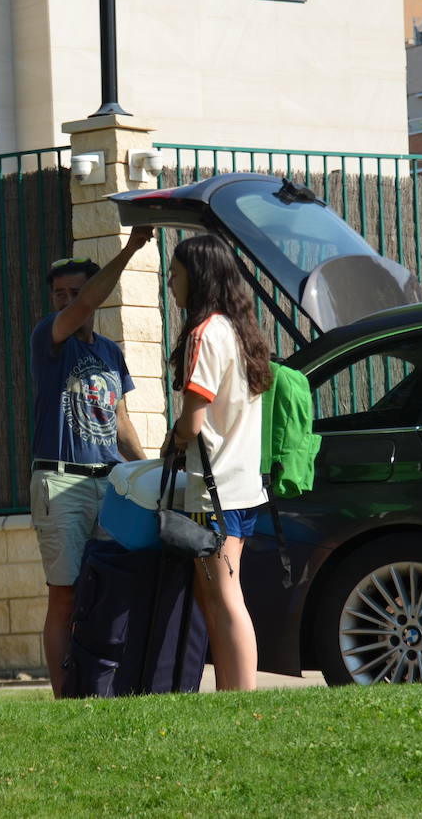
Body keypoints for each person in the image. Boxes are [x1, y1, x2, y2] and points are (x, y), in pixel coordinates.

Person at [29, 227, 151, 697]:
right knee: (64, 594)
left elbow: (120, 425)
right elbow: (79, 311)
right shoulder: (50, 336)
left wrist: (151, 474)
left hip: (109, 484)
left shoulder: (110, 352)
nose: (67, 301)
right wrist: (131, 248)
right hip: (60, 484)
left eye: (75, 292)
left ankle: (100, 685)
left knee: (104, 592)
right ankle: (66, 701)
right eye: (59, 294)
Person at [162, 233, 272, 691]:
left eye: (176, 272)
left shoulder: (205, 335)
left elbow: (192, 421)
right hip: (242, 485)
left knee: (224, 595)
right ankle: (232, 694)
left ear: (198, 276)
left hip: (214, 490)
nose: (170, 281)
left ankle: (241, 695)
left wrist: (172, 441)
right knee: (222, 593)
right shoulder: (238, 330)